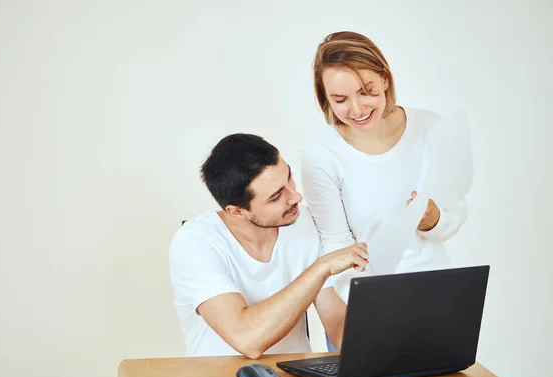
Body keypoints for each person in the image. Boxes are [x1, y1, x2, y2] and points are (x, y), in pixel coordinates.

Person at [301, 32, 468, 351]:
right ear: (325, 98)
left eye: (367, 92)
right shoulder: (320, 154)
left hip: (438, 299)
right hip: (369, 311)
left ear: (385, 79)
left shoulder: (428, 127)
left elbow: (456, 209)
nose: (357, 108)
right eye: (340, 100)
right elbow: (336, 249)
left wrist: (433, 220)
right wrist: (378, 314)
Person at [169, 133, 369, 358]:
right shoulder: (195, 242)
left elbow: (339, 327)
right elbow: (247, 340)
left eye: (289, 178)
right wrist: (321, 268)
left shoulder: (306, 223)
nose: (296, 197)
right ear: (237, 211)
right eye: (276, 197)